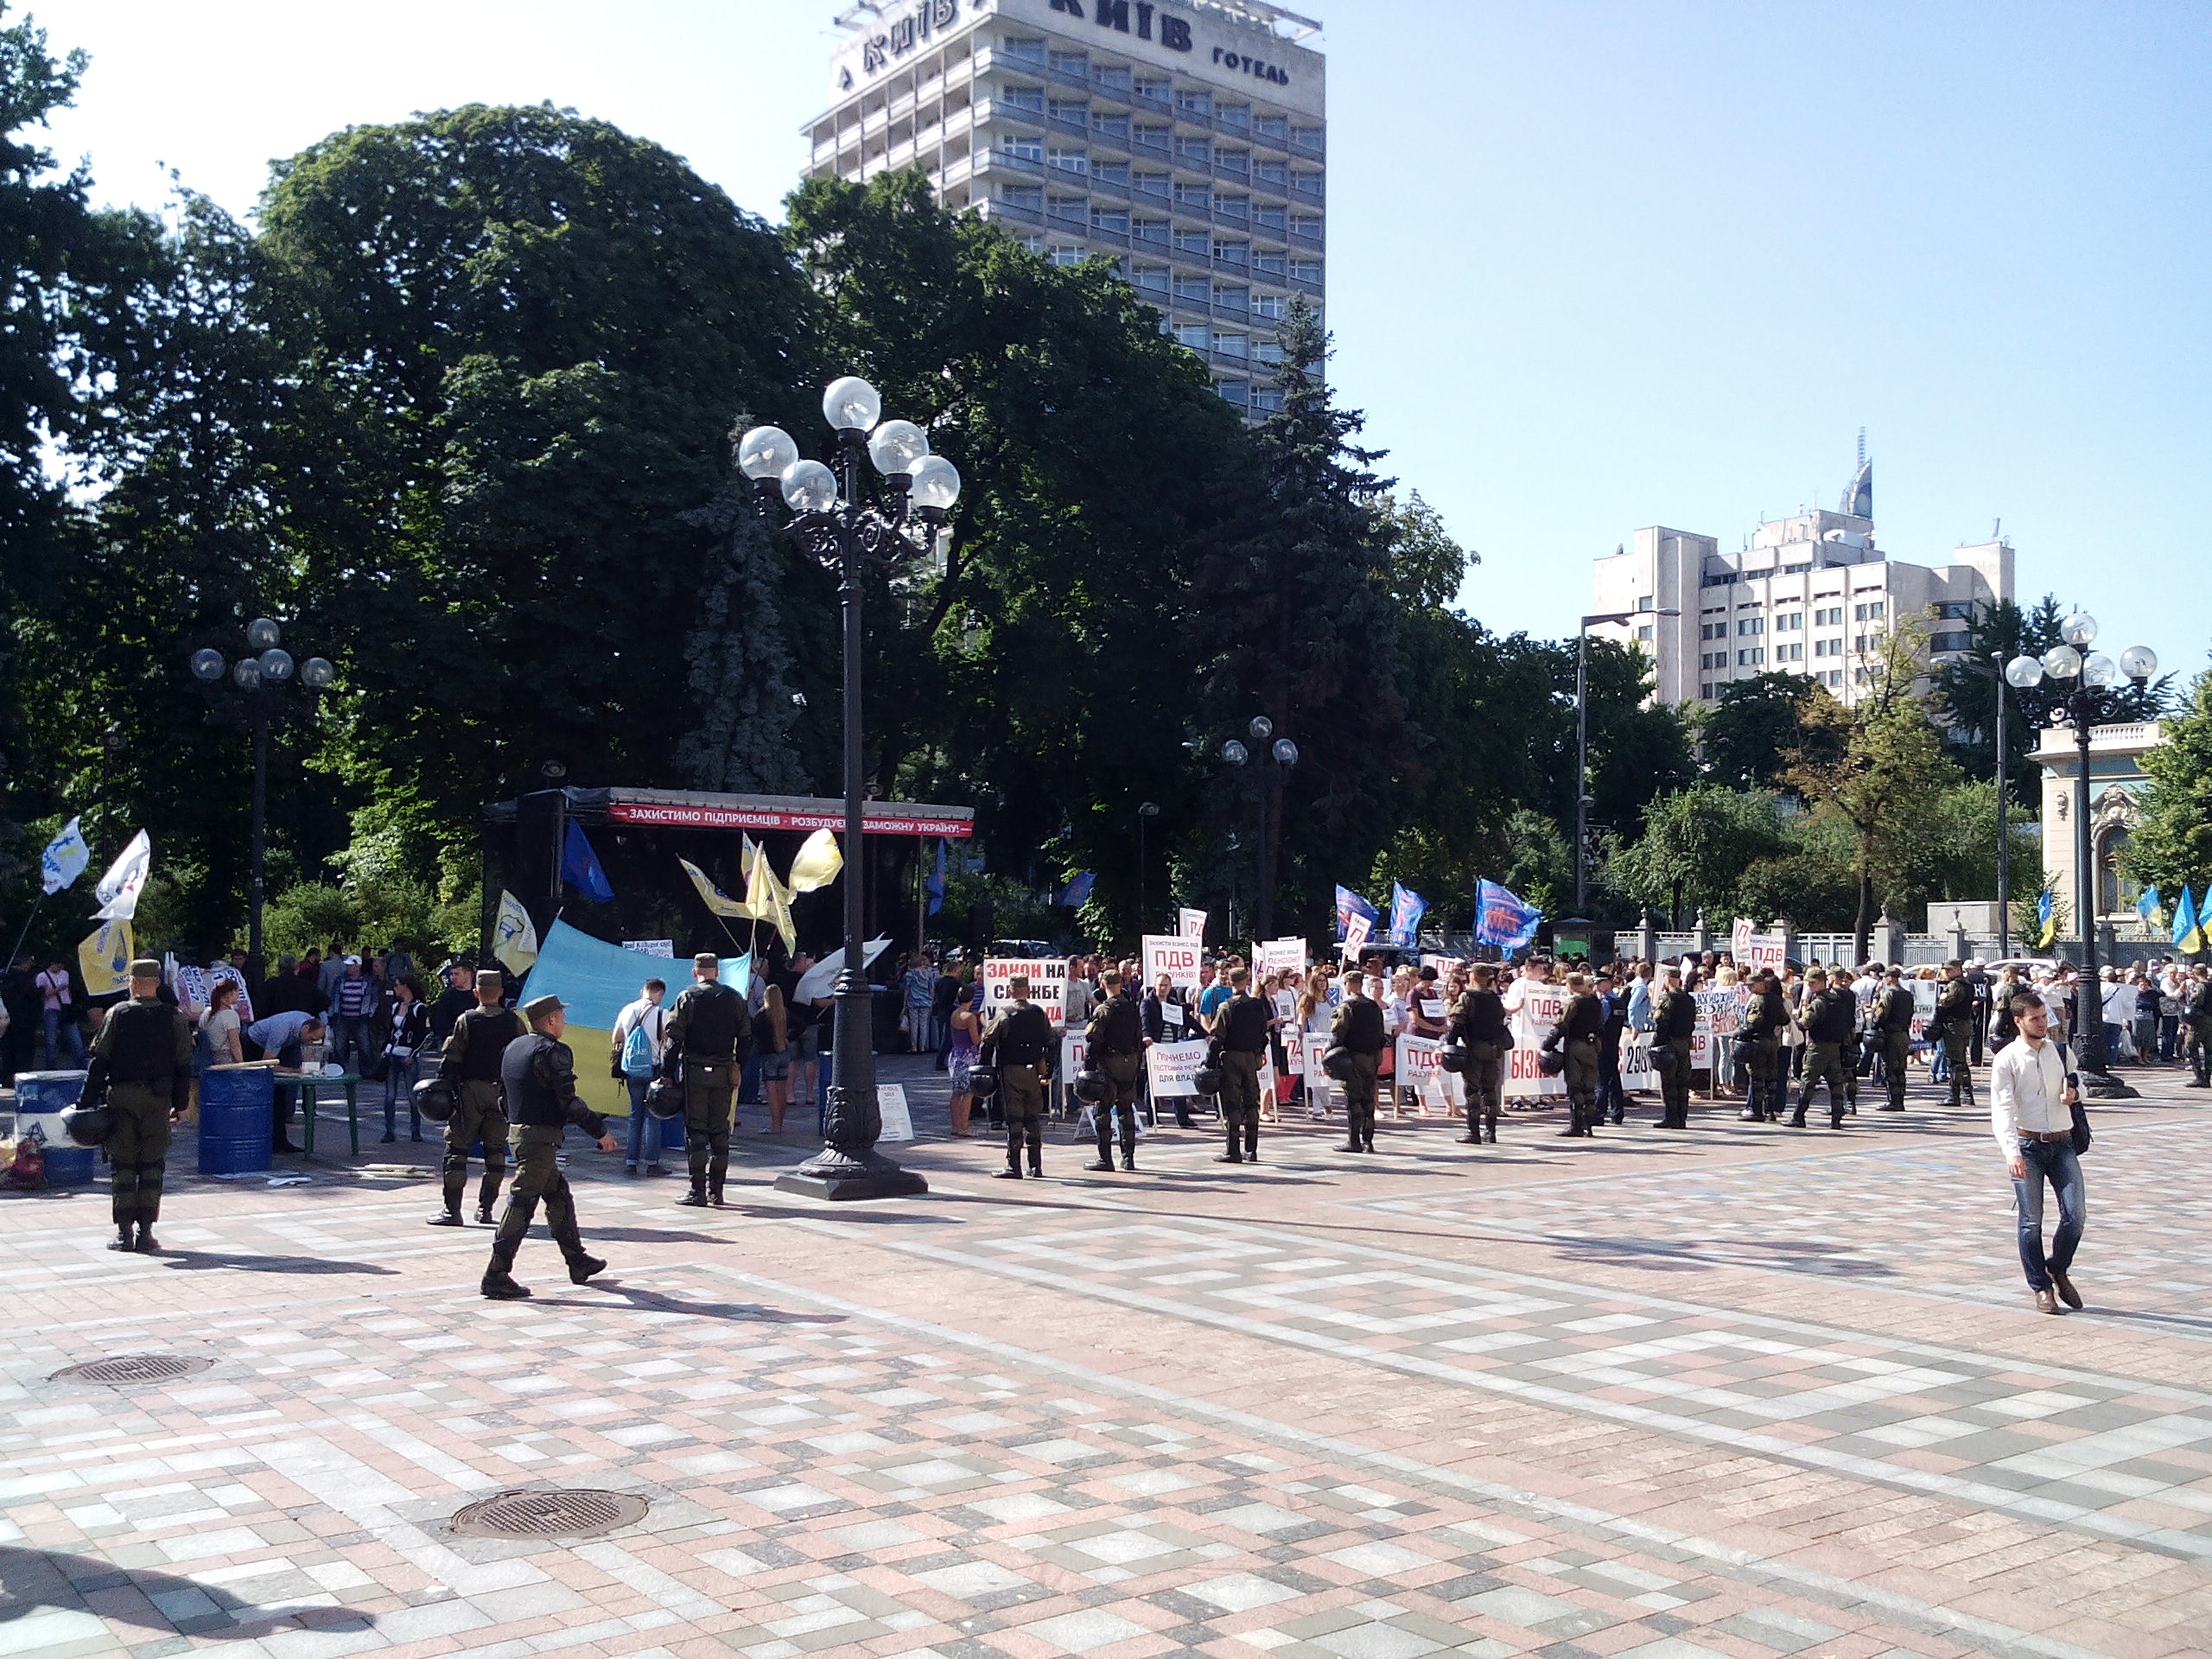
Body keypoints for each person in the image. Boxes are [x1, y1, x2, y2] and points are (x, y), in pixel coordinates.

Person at [480, 994, 620, 1300]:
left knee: (558, 1195)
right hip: (539, 1140)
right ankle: (496, 1275)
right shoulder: (553, 1052)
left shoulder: (514, 1048)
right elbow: (568, 1101)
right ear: (551, 1020)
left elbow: (502, 1094)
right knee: (521, 1203)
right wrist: (600, 1132)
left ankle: (577, 1261)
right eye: (562, 1017)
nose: (565, 1022)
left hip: (519, 1133)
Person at [80, 961, 195, 1253]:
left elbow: (100, 1061)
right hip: (158, 1100)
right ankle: (146, 1232)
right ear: (156, 982)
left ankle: (123, 1234)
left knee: (123, 1164)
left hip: (122, 1097)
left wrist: (85, 1101)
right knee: (152, 1164)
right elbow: (184, 1065)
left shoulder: (117, 1014)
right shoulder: (176, 1017)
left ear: (132, 982)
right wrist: (181, 1105)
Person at [1990, 990, 2084, 1315]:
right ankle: (2041, 1287)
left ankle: (2057, 1267)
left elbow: (2079, 1084)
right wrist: (2011, 1152)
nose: (2043, 1023)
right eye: (2035, 1019)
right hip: (2028, 1146)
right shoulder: (2007, 1059)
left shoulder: (2059, 1051)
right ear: (2019, 1021)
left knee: (2076, 1216)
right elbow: (2001, 1109)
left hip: (2063, 1142)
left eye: (2044, 1017)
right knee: (2031, 1222)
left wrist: (2074, 1092)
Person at [430, 968, 521, 1226]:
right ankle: (486, 1210)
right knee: (495, 1153)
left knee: (456, 1150)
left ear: (476, 993)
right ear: (501, 992)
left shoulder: (466, 1020)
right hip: (501, 1095)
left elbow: (452, 1058)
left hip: (469, 1092)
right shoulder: (513, 1021)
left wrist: (443, 1086)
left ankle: (452, 1211)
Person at [664, 952, 753, 1207]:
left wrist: (667, 1073)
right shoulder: (735, 998)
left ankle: (697, 1191)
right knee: (720, 1130)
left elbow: (674, 1040)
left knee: (696, 1131)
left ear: (695, 972)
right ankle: (717, 1190)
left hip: (695, 1073)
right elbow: (746, 1038)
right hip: (724, 1072)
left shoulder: (687, 997)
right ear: (718, 971)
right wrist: (739, 1068)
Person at [981, 974, 1053, 1178]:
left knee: (1014, 1118)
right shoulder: (1039, 1013)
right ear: (1028, 990)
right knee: (1032, 1118)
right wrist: (1048, 1069)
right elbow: (1051, 1041)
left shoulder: (1004, 1014)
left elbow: (987, 1041)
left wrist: (984, 1068)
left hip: (1011, 1070)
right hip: (1034, 1071)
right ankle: (1036, 1166)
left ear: (1011, 991)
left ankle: (1014, 1166)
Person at [1085, 969, 1145, 1172]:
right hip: (1130, 1062)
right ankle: (1128, 1158)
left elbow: (1094, 1041)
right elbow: (1139, 1038)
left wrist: (1089, 1070)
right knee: (1126, 1109)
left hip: (1109, 1062)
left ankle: (1105, 1158)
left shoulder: (1103, 1010)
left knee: (1103, 1111)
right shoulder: (1133, 1008)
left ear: (1103, 985)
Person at [610, 976, 670, 1173]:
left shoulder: (627, 1010)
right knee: (653, 1116)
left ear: (643, 990)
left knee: (635, 1115)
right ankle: (652, 1163)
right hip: (653, 1069)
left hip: (632, 1070)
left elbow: (616, 1038)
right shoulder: (662, 1013)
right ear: (659, 993)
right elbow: (668, 1041)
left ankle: (631, 1162)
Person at [1212, 967, 1271, 1164]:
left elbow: (1217, 1036)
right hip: (1251, 1058)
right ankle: (1251, 1149)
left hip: (1232, 1058)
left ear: (1230, 982)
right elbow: (1264, 1032)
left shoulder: (1227, 1007)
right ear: (1246, 981)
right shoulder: (1257, 1006)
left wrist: (1210, 1060)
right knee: (1251, 1103)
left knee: (1233, 1104)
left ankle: (1233, 1150)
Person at [1330, 970, 1388, 1154]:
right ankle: (1368, 1141)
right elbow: (1381, 1034)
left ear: (1349, 984)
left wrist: (1329, 1054)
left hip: (1354, 1058)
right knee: (1368, 1099)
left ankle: (1354, 1140)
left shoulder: (1347, 1007)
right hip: (1372, 1058)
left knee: (1353, 1099)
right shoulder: (1373, 1006)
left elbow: (1339, 1034)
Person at [1452, 962, 1509, 1145]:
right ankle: (1490, 1131)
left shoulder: (1467, 997)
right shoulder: (1494, 998)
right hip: (1493, 1050)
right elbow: (1501, 1021)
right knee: (1490, 1090)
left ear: (1474, 976)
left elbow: (1457, 1022)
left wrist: (1450, 1045)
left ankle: (1473, 1131)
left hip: (1475, 1048)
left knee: (1472, 1090)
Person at [1543, 972, 1605, 1138]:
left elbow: (1561, 1026)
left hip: (1575, 1045)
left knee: (1575, 1086)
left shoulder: (1572, 1002)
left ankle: (1577, 1125)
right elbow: (1601, 1025)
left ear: (1570, 985)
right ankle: (1589, 1124)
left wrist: (1547, 1046)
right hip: (1592, 1046)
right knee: (1589, 1086)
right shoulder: (1595, 1002)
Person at [1793, 968, 1854, 1129]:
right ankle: (1836, 1119)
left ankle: (1799, 1115)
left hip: (1818, 1047)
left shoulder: (1819, 1002)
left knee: (1807, 1082)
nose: (1810, 986)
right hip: (1835, 1046)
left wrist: (1797, 1021)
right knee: (1836, 1084)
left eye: (1812, 983)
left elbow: (1805, 1023)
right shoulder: (1838, 999)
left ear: (1821, 982)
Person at [376, 974, 430, 1142]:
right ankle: (389, 1130)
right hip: (393, 1054)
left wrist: (413, 1054)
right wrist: (385, 1049)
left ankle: (416, 1130)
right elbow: (391, 1031)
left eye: (397, 985)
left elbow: (424, 1034)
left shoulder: (419, 1008)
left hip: (409, 1056)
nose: (395, 988)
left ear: (406, 987)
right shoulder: (395, 1007)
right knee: (390, 1095)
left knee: (412, 1094)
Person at [1141, 972, 1197, 1128]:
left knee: (1178, 1083)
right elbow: (1144, 1021)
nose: (1163, 988)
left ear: (1170, 986)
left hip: (1172, 1049)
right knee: (1150, 1084)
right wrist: (1147, 1037)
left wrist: (1205, 1035)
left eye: (1166, 985)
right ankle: (1152, 1118)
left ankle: (1182, 1118)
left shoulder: (1173, 1003)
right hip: (1155, 1049)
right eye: (1160, 985)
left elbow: (1188, 1020)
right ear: (1155, 985)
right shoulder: (1148, 1002)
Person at [1652, 966, 1697, 1128]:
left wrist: (1656, 1044)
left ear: (1668, 979)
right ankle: (1681, 1117)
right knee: (1683, 1082)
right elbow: (1692, 1022)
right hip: (1685, 1043)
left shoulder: (1668, 999)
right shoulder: (1689, 999)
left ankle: (1671, 1117)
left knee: (1669, 1082)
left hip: (1671, 1043)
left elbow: (1662, 1024)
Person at [1872, 968, 1915, 1112]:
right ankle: (1900, 1099)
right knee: (1901, 1068)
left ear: (1890, 978)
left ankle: (1893, 1100)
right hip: (1903, 1034)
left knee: (1890, 1067)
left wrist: (1874, 1026)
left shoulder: (1889, 994)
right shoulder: (1908, 995)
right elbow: (1910, 1014)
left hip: (1891, 1035)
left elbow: (1881, 1014)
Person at [945, 984, 982, 1136]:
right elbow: (975, 1040)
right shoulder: (970, 1017)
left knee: (956, 1093)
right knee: (968, 1093)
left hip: (955, 1054)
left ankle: (955, 1126)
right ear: (972, 998)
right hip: (968, 1056)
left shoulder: (955, 1014)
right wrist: (984, 1033)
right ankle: (964, 1127)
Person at [757, 983, 793, 1134]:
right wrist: (788, 1038)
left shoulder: (763, 1015)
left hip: (769, 1054)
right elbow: (801, 1025)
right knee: (781, 1090)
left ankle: (775, 1124)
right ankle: (780, 1123)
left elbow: (754, 1030)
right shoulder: (785, 1013)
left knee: (771, 1092)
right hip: (784, 1053)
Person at [37, 955, 84, 1069]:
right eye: (58, 965)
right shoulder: (42, 976)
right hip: (51, 1009)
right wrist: (58, 989)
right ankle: (51, 1067)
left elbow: (69, 991)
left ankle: (82, 1067)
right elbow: (41, 996)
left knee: (76, 1040)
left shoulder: (65, 974)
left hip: (66, 1008)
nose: (60, 967)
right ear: (52, 963)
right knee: (51, 1041)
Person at [199, 978, 245, 1069]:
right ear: (230, 993)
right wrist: (241, 1064)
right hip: (226, 1060)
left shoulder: (206, 1013)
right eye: (237, 991)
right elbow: (234, 1044)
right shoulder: (230, 1015)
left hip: (209, 1059)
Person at [430, 962, 475, 1046]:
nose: (452, 977)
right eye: (451, 974)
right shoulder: (446, 997)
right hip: (454, 1042)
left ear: (469, 974)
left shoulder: (478, 995)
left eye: (456, 974)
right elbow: (440, 1022)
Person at [900, 950, 937, 1053]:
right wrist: (931, 999)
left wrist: (904, 1002)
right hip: (926, 1000)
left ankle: (914, 1047)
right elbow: (931, 988)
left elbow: (907, 989)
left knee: (914, 1024)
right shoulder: (928, 974)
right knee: (924, 1024)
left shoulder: (910, 974)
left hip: (913, 1000)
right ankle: (922, 1046)